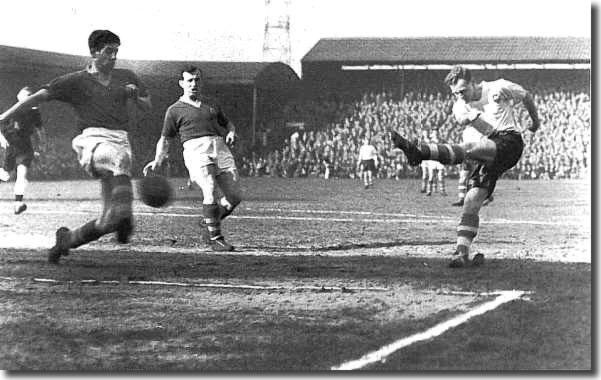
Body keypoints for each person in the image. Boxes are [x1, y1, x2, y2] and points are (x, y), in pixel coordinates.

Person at [0, 30, 152, 263]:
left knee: (107, 222)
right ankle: (127, 216)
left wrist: (135, 97)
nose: (113, 57)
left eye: (116, 52)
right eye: (108, 51)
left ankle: (66, 241)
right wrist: (5, 116)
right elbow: (38, 97)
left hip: (120, 140)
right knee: (120, 161)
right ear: (93, 52)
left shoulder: (126, 76)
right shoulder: (76, 80)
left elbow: (147, 106)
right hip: (91, 140)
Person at [391, 65, 539, 268]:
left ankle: (420, 153)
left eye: (462, 91)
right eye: (455, 94)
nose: (460, 96)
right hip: (491, 148)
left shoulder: (498, 87)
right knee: (471, 200)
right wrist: (473, 115)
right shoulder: (459, 107)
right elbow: (486, 129)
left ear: (472, 82)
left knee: (469, 148)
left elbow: (526, 96)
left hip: (510, 142)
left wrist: (535, 122)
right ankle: (462, 253)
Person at [143, 66, 241, 252]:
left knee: (234, 195)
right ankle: (215, 238)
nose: (193, 84)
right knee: (209, 187)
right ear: (181, 83)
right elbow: (164, 139)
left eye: (196, 80)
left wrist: (232, 131)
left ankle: (209, 221)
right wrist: (157, 160)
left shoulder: (211, 103)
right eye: (189, 80)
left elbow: (227, 122)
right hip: (196, 149)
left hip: (219, 146)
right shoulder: (174, 110)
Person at [0, 87, 45, 214]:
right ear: (19, 97)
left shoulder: (34, 112)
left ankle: (18, 203)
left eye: (29, 96)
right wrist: (1, 139)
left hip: (25, 147)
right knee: (5, 175)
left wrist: (42, 143)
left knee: (22, 174)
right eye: (25, 96)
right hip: (12, 146)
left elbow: (40, 129)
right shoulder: (12, 110)